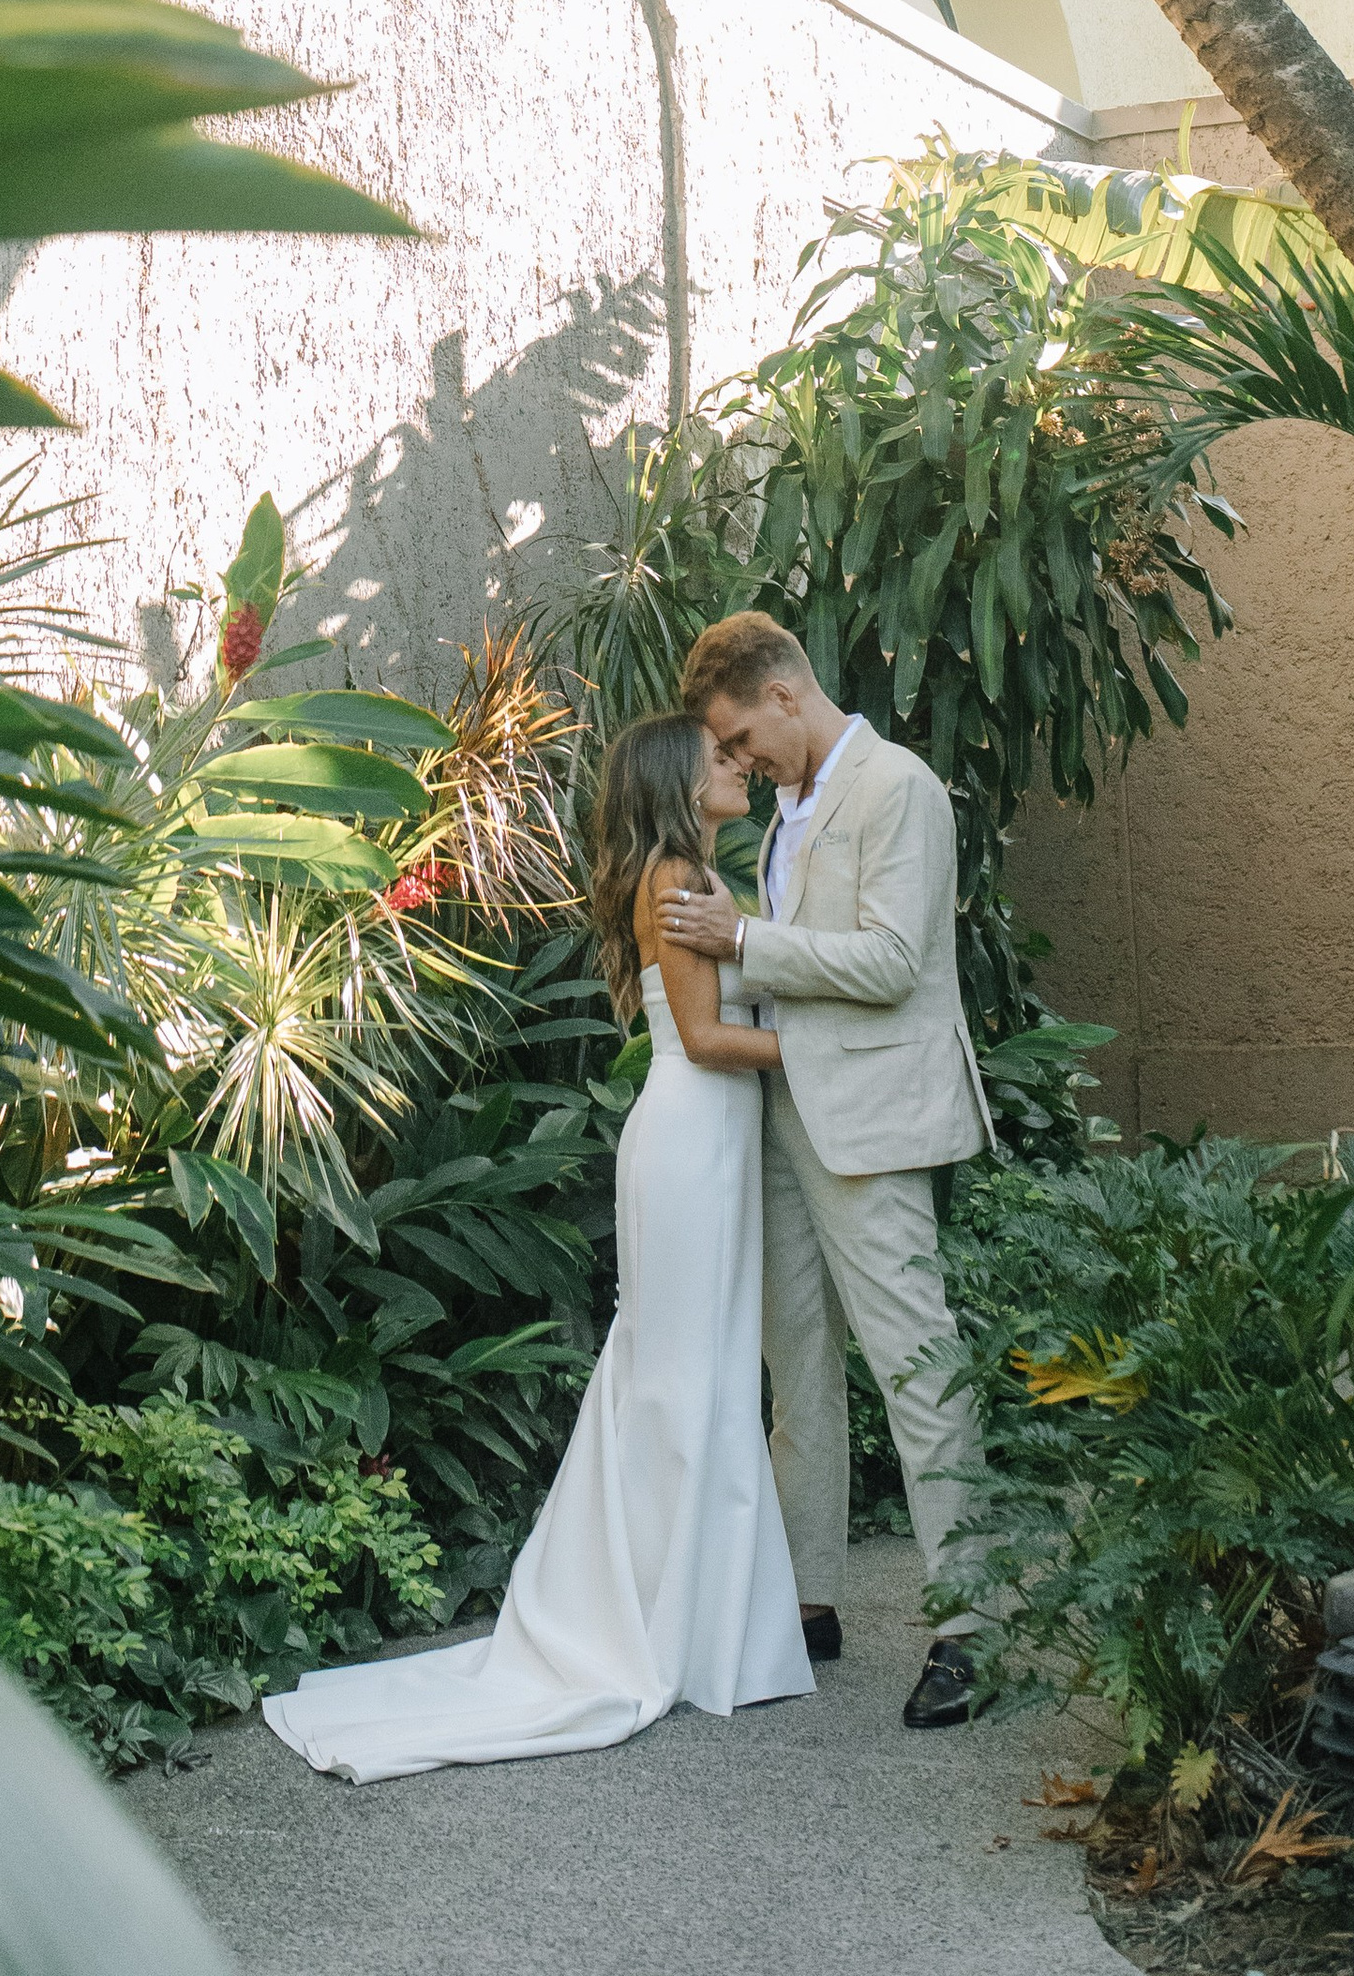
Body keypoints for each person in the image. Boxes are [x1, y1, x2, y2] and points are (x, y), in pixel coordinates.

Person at [259, 710, 811, 1780]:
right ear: (676, 782)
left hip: (706, 1143)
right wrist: (825, 1054)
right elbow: (702, 1038)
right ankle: (672, 1629)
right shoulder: (674, 880)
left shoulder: (689, 870)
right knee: (681, 1374)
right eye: (718, 759)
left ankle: (693, 1621)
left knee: (688, 1370)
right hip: (691, 1138)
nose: (736, 764)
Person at [657, 611, 993, 1733]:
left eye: (740, 734)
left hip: (873, 1123)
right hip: (781, 1112)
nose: (740, 759)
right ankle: (807, 1602)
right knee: (794, 1369)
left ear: (785, 693)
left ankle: (970, 1625)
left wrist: (740, 940)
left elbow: (894, 963)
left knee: (915, 1367)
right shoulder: (784, 818)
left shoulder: (898, 790)